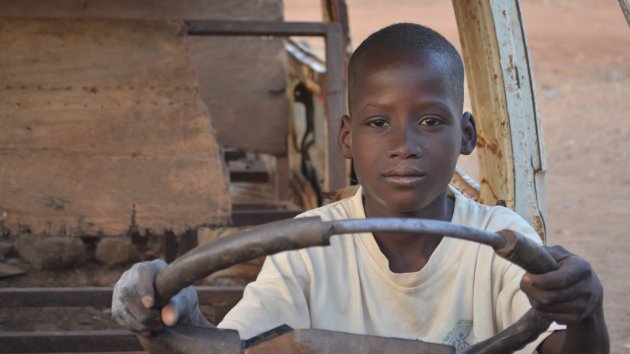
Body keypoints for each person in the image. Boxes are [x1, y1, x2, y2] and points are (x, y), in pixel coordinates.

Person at [112, 23, 609, 353]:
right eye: (378, 123)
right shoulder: (302, 248)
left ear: (466, 136)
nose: (404, 145)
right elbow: (239, 343)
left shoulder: (502, 241)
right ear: (347, 137)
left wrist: (587, 311)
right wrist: (177, 317)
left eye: (431, 121)